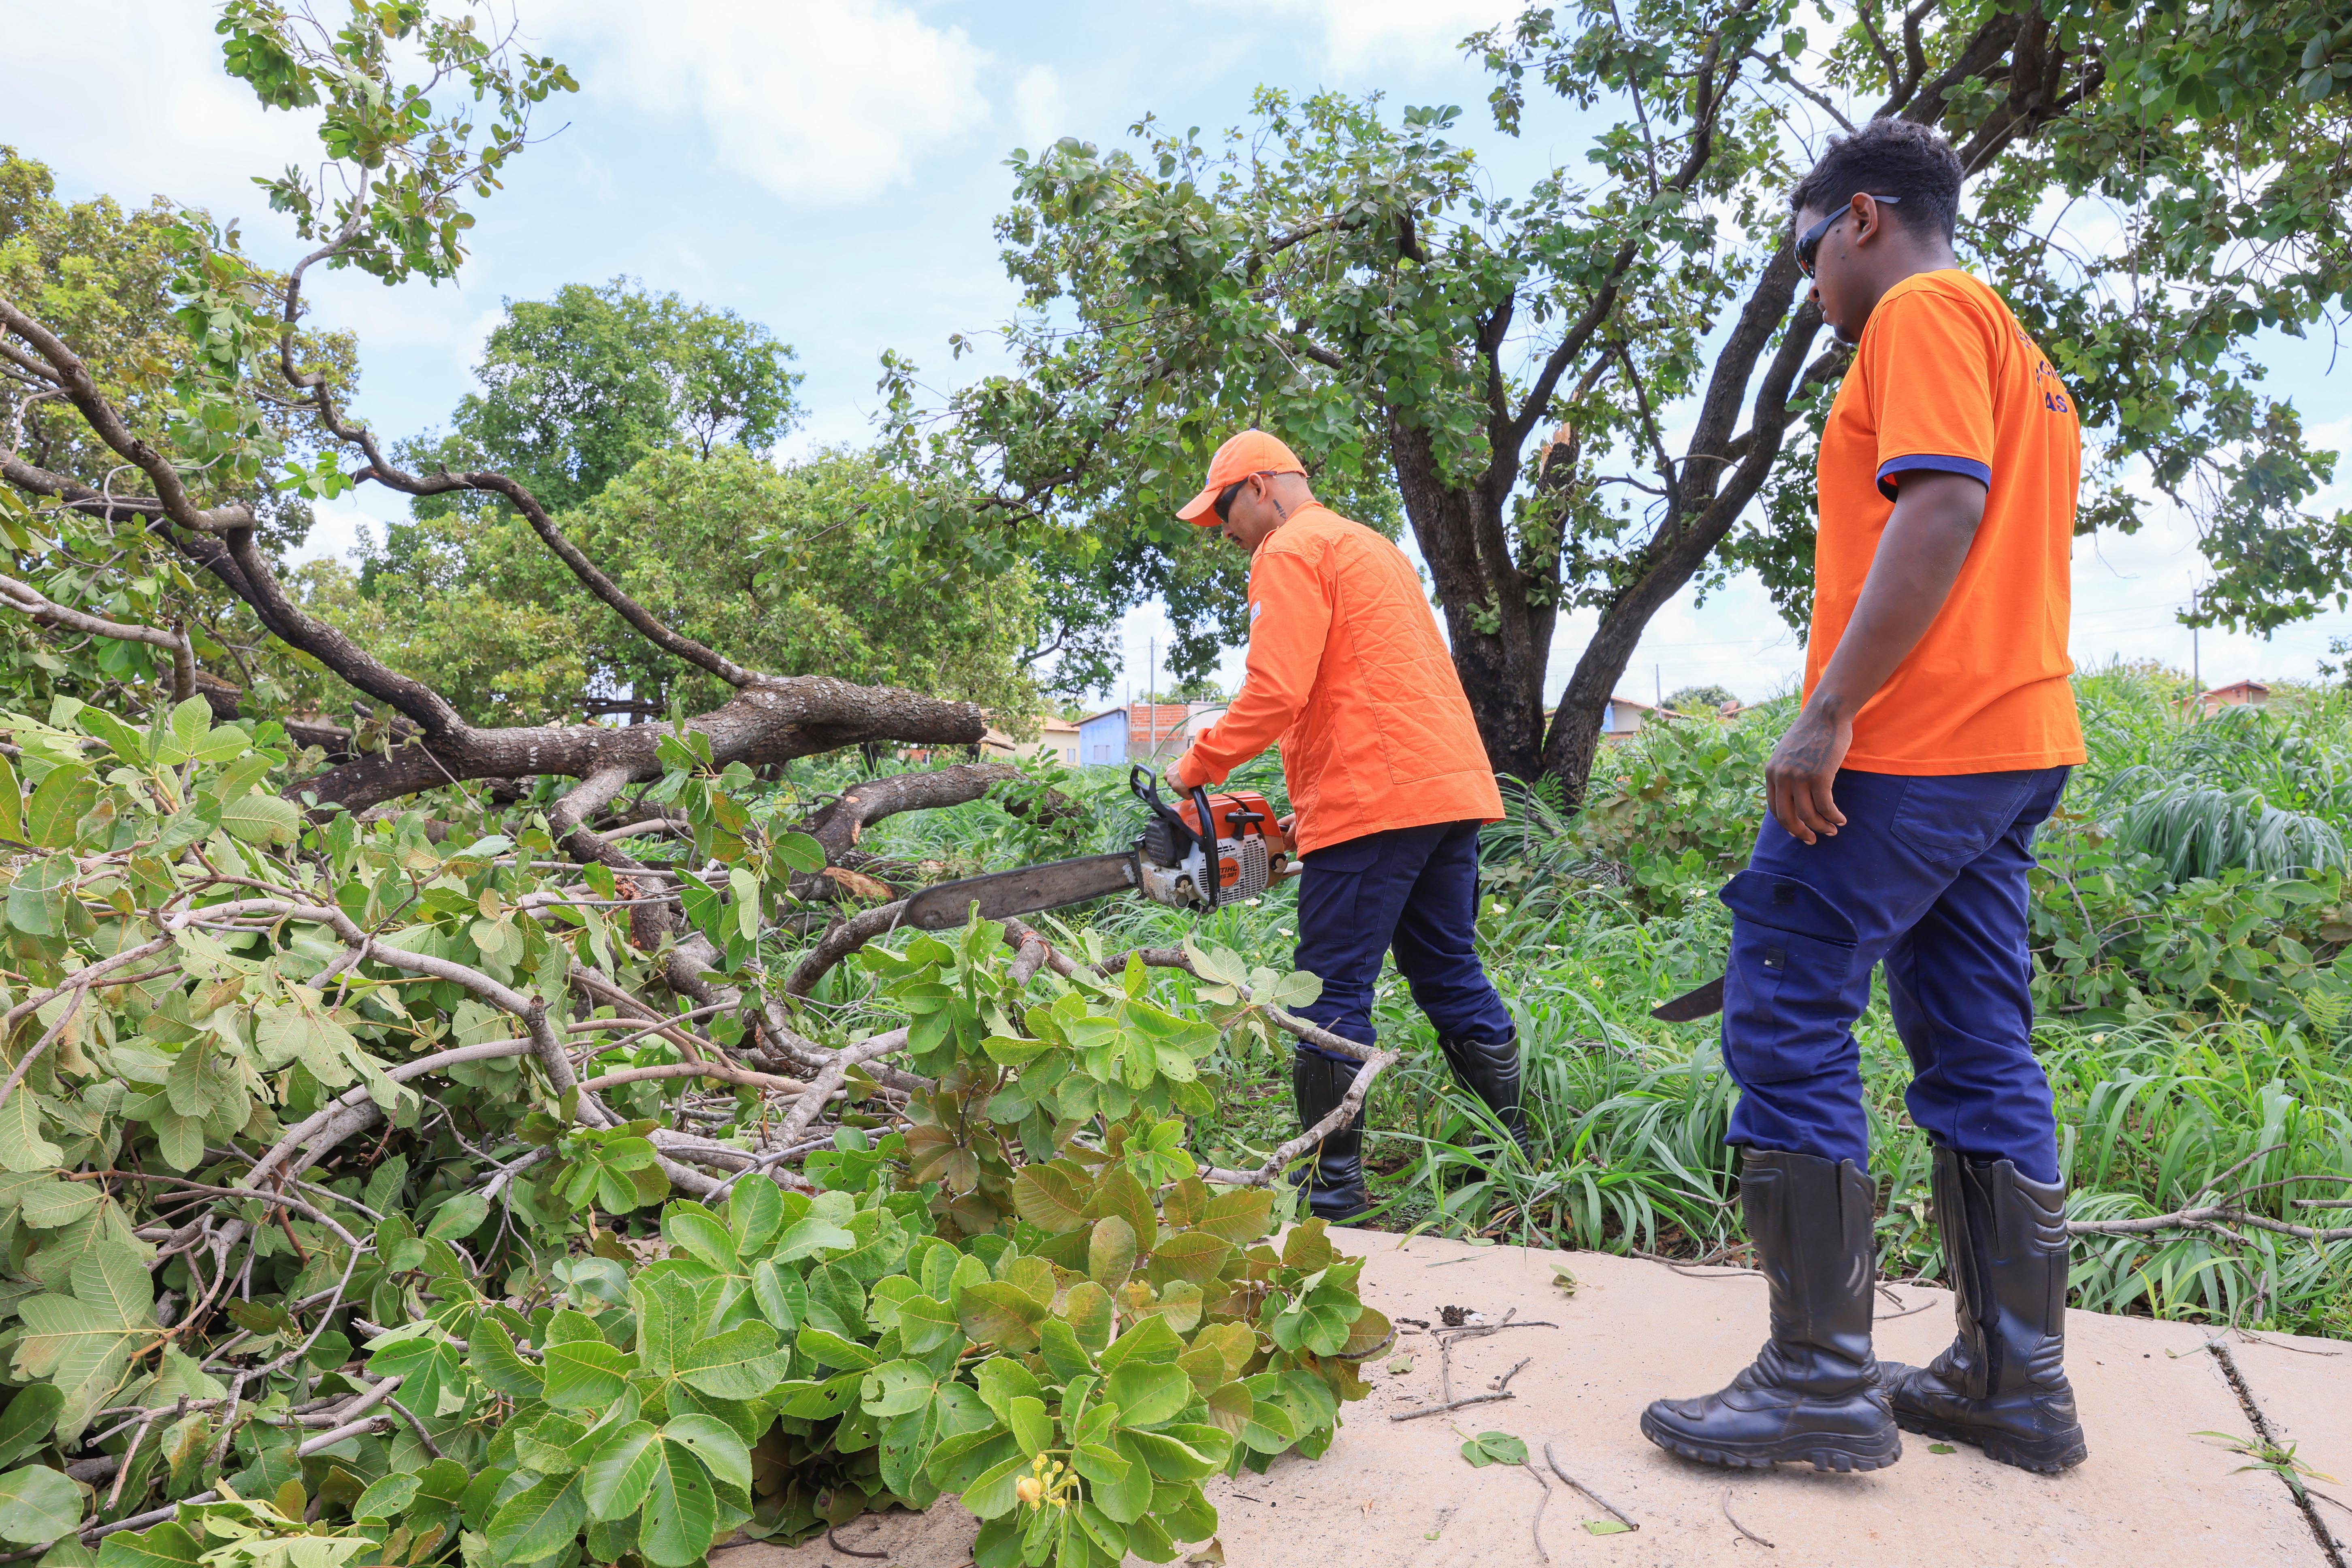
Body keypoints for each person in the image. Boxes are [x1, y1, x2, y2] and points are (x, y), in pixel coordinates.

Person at [1639, 119, 2090, 1476]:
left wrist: (1826, 711)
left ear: (1856, 221)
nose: (1808, 293)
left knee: (1781, 996)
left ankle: (1816, 1379)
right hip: (2009, 737)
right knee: (1971, 1044)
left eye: (1802, 259)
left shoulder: (1921, 308)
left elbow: (1939, 508)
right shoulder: (2017, 349)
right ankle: (2012, 1383)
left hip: (1915, 741)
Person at [1163, 429, 1521, 1222]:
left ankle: (1331, 1198)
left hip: (1379, 800)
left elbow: (1276, 691)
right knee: (1449, 974)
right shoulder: (1372, 546)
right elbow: (1375, 684)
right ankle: (1514, 1161)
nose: (1224, 531)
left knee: (1326, 991)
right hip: (1447, 790)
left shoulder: (1290, 549)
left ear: (1259, 487)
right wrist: (1314, 804)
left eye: (1223, 510)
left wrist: (1196, 767)